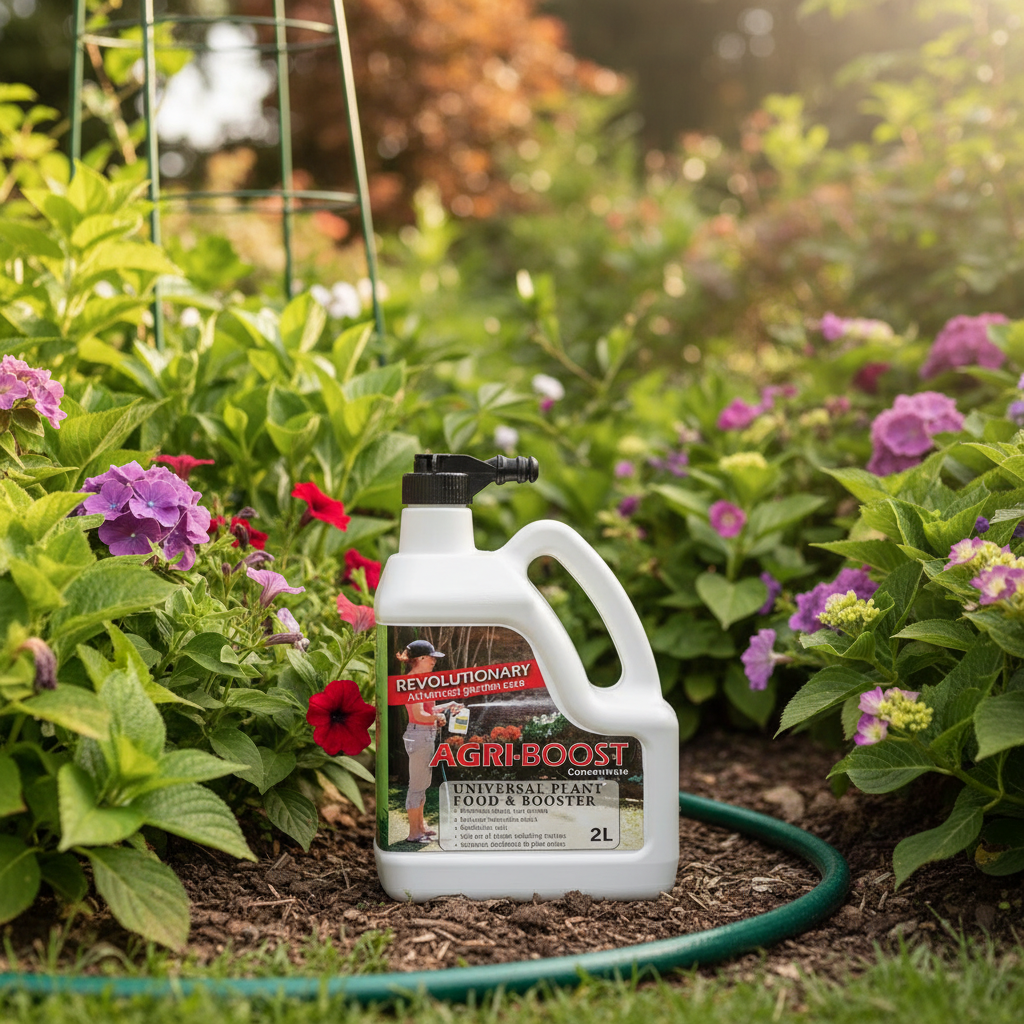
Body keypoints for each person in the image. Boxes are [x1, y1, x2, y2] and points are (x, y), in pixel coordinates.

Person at [397, 639, 464, 843]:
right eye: (432, 658)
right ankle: (413, 833)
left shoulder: (420, 681)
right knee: (416, 786)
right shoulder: (413, 683)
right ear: (421, 658)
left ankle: (421, 826)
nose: (434, 661)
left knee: (423, 784)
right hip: (420, 734)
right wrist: (437, 718)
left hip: (423, 734)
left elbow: (426, 710)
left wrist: (446, 706)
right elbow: (418, 714)